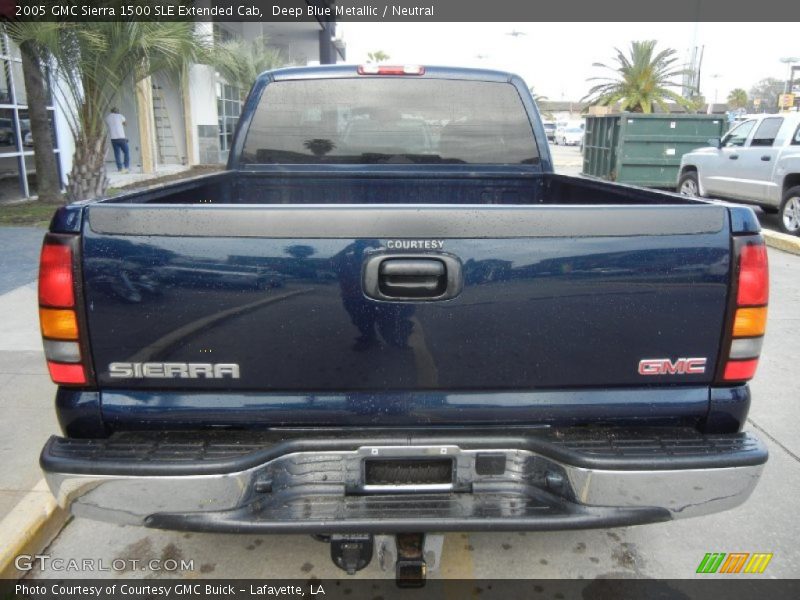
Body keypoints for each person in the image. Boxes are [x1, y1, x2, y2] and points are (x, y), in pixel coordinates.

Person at [105, 107, 130, 173]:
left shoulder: (108, 118)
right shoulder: (120, 116)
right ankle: (126, 167)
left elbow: (109, 124)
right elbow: (126, 124)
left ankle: (120, 168)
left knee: (117, 154)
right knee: (126, 152)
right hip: (121, 138)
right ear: (117, 111)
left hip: (113, 139)